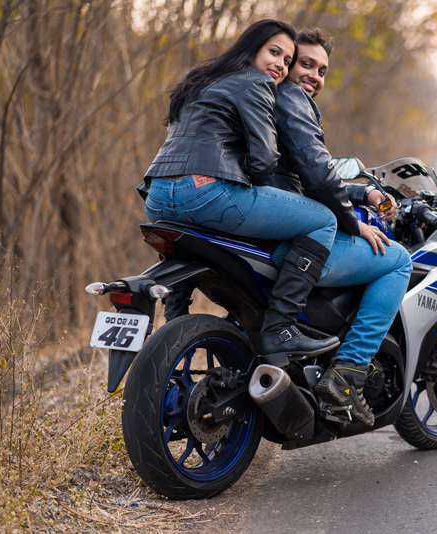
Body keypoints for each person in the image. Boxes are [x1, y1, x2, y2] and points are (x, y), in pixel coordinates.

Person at [143, 20, 339, 361]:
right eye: (274, 52)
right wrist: (258, 188)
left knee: (189, 239)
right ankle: (281, 329)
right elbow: (264, 161)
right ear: (252, 48)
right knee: (322, 220)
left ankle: (174, 322)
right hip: (205, 192)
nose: (280, 64)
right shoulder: (257, 83)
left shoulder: (199, 78)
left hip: (158, 196)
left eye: (287, 60)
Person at [268, 28, 413, 426]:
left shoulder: (264, 99)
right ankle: (348, 372)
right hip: (293, 241)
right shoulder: (291, 98)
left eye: (323, 70)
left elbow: (296, 174)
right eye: (306, 64)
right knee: (397, 260)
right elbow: (316, 175)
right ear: (286, 63)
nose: (314, 75)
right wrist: (356, 223)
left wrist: (361, 192)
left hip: (267, 226)